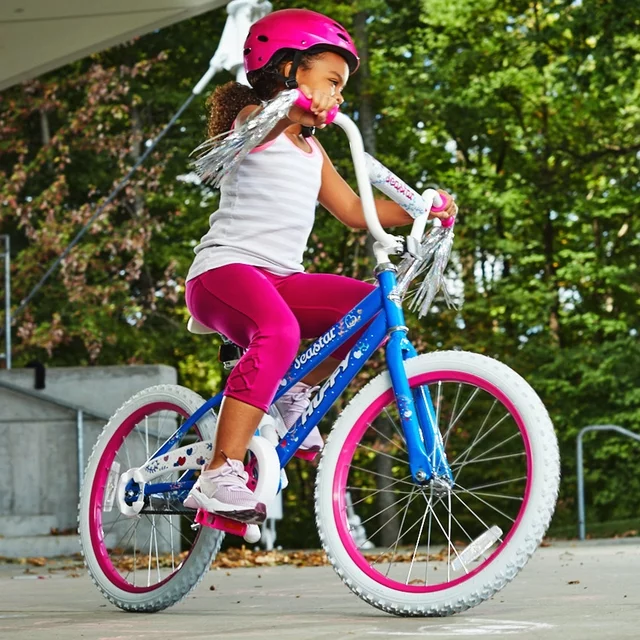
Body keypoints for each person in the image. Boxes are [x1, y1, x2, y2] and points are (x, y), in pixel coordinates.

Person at [183, 8, 457, 524]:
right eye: (332, 81)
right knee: (280, 331)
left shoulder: (312, 152)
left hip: (282, 279)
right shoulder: (254, 120)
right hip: (224, 272)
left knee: (369, 310)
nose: (338, 96)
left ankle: (294, 393)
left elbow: (354, 210)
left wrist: (423, 210)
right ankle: (220, 470)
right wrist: (293, 104)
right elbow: (263, 122)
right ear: (289, 69)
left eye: (342, 88)